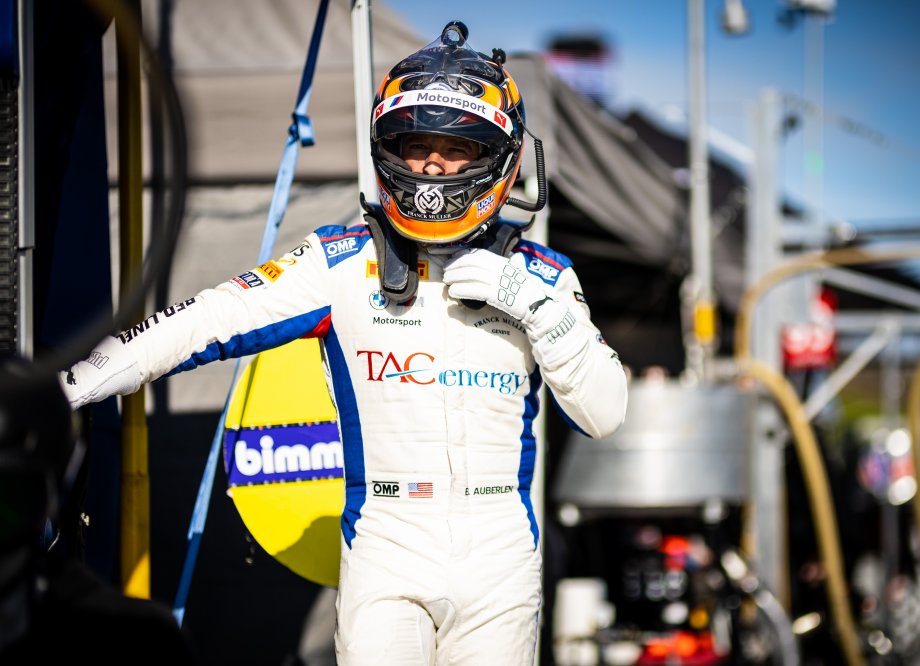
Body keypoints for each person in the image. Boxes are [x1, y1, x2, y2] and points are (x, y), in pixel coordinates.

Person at [61, 21, 627, 665]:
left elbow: (605, 414)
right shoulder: (339, 261)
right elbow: (208, 317)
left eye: (457, 147)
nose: (433, 165)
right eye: (415, 144)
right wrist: (71, 381)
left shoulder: (545, 277)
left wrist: (539, 310)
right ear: (386, 148)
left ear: (501, 158)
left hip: (502, 556)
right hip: (386, 545)